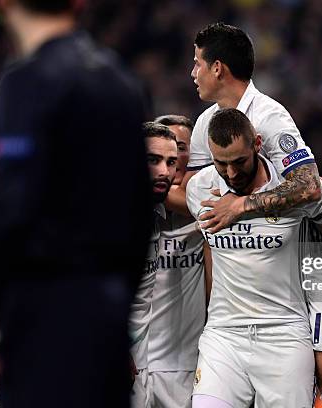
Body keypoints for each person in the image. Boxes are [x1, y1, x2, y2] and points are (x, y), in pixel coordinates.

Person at [175, 22, 322, 408]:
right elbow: (196, 193)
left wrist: (241, 206)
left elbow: (307, 188)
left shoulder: (270, 116)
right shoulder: (207, 123)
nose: (193, 72)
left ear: (217, 68)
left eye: (197, 63)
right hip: (244, 294)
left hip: (310, 253)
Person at [0, 1, 152, 407]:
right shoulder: (122, 81)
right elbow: (139, 218)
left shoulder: (27, 81)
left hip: (45, 321)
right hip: (108, 323)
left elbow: (12, 208)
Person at [186, 108, 322, 408]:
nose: (232, 173)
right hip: (223, 335)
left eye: (239, 162)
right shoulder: (198, 189)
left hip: (284, 335)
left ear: (258, 144)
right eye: (221, 164)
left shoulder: (292, 192)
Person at [147, 115, 208, 408]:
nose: (173, 160)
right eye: (159, 156)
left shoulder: (213, 217)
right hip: (137, 362)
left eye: (182, 148)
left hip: (192, 367)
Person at [133, 122, 179, 408]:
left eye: (171, 162)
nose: (164, 171)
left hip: (141, 362)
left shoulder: (154, 211)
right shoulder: (105, 214)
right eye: (154, 160)